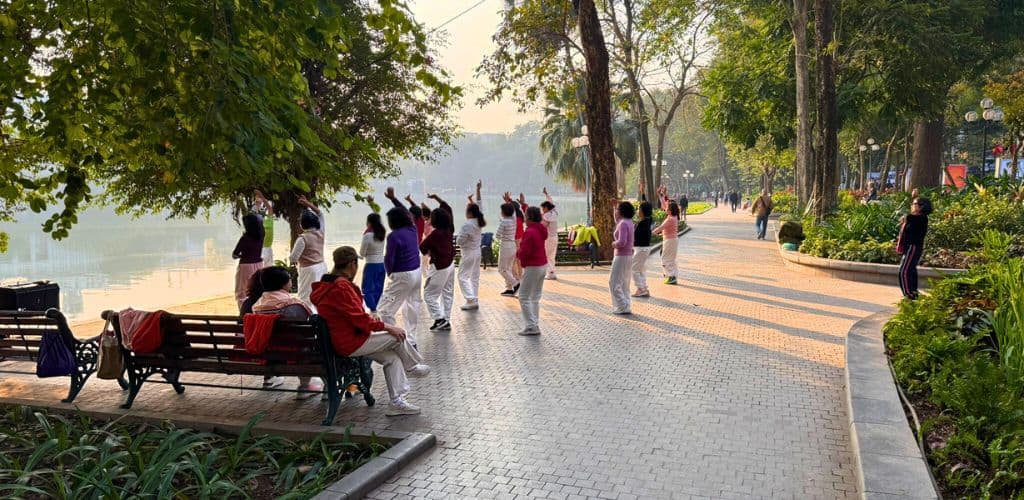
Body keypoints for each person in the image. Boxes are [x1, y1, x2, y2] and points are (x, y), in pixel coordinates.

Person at [311, 246, 431, 416]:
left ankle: (396, 402)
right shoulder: (341, 287)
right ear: (353, 264)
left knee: (392, 358)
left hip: (340, 339)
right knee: (397, 335)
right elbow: (359, 319)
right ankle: (412, 367)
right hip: (350, 342)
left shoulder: (326, 285)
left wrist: (375, 323)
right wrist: (387, 326)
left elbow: (351, 316)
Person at [246, 265, 322, 396]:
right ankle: (305, 386)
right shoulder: (293, 305)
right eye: (290, 279)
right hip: (295, 352)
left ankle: (306, 386)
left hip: (268, 351)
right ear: (284, 283)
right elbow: (306, 329)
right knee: (317, 345)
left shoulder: (256, 306)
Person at [378, 187, 424, 347]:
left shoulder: (393, 236)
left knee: (384, 309)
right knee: (412, 306)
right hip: (416, 273)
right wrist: (393, 198)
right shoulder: (412, 228)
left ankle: (396, 341)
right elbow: (405, 211)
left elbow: (389, 258)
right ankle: (411, 340)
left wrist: (390, 273)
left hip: (402, 276)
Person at [420, 208, 455, 331]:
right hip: (450, 265)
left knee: (428, 294)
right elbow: (448, 208)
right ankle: (446, 319)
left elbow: (422, 247)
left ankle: (439, 319)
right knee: (447, 293)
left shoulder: (435, 234)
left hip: (439, 266)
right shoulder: (449, 230)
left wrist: (430, 250)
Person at [289, 196, 326, 306]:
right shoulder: (320, 231)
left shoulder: (302, 238)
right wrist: (307, 203)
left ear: (302, 224)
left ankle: (307, 320)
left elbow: (293, 258)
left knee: (306, 297)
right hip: (322, 266)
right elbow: (321, 214)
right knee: (320, 294)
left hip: (308, 269)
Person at [517, 206, 547, 335]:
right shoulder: (540, 230)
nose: (524, 218)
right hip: (542, 265)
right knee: (535, 297)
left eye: (526, 215)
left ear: (530, 217)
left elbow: (525, 252)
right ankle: (534, 324)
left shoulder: (530, 232)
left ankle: (531, 325)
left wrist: (518, 254)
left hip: (533, 266)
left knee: (523, 296)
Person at [456, 180, 486, 310]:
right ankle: (474, 299)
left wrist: (477, 191)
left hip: (468, 252)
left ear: (470, 213)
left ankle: (471, 298)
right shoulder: (478, 221)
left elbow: (459, 241)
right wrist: (478, 190)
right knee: (474, 277)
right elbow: (480, 205)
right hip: (477, 251)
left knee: (462, 276)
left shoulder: (467, 224)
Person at [896, 197, 932, 300]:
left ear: (921, 207)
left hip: (913, 247)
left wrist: (906, 218)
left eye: (914, 203)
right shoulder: (915, 218)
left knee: (904, 271)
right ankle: (913, 293)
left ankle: (909, 295)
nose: (912, 205)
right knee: (910, 270)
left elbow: (909, 217)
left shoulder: (921, 218)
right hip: (909, 248)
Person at [233, 213, 265, 308]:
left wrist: (240, 255)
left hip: (246, 266)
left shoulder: (245, 238)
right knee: (258, 288)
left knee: (242, 291)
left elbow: (235, 254)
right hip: (259, 264)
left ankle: (243, 312)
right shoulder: (262, 235)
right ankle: (257, 308)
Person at [610, 201, 635, 314]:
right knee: (625, 283)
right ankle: (626, 305)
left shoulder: (623, 224)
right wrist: (615, 206)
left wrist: (614, 244)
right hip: (628, 256)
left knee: (614, 282)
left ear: (622, 211)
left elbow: (622, 242)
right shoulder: (628, 222)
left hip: (621, 256)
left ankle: (622, 305)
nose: (616, 211)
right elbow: (617, 221)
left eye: (618, 209)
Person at [359, 210, 387, 313]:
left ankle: (373, 309)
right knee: (378, 288)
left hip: (371, 265)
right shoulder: (382, 234)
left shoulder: (368, 235)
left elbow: (362, 253)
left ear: (369, 222)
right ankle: (376, 308)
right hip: (382, 265)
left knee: (367, 289)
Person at [496, 197, 521, 296]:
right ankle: (509, 289)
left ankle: (516, 283)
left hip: (505, 246)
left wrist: (502, 228)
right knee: (508, 269)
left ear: (504, 212)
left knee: (502, 269)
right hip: (512, 246)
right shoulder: (513, 220)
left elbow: (497, 235)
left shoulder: (504, 222)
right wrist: (508, 202)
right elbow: (514, 212)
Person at [653, 202, 680, 285]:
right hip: (673, 240)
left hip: (669, 241)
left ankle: (670, 276)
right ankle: (673, 276)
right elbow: (667, 229)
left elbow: (661, 227)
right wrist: (661, 196)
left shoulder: (670, 219)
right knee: (671, 259)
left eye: (668, 208)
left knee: (665, 259)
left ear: (671, 211)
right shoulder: (674, 217)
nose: (666, 209)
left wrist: (652, 232)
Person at [631, 201, 654, 298]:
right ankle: (644, 288)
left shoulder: (643, 223)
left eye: (639, 209)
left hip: (641, 249)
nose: (637, 211)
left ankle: (641, 289)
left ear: (642, 211)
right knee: (641, 270)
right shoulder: (647, 220)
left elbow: (635, 236)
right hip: (644, 249)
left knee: (634, 270)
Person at [540, 187, 559, 279]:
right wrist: (546, 194)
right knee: (552, 255)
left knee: (546, 255)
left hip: (548, 238)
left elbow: (542, 225)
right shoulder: (554, 212)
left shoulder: (547, 215)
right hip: (555, 237)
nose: (542, 210)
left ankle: (550, 272)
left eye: (543, 208)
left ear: (546, 208)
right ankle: (552, 273)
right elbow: (551, 202)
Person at [253, 190, 275, 267]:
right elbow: (254, 214)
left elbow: (269, 209)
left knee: (267, 272)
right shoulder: (260, 223)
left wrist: (261, 196)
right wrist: (258, 203)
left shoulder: (269, 221)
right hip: (260, 250)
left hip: (267, 250)